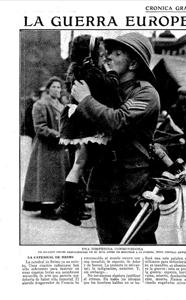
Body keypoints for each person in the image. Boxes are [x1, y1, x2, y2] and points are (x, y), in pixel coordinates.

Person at [71, 32, 161, 244]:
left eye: (117, 53)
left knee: (136, 246)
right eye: (108, 52)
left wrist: (85, 100)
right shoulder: (105, 88)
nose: (108, 57)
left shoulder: (146, 93)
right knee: (108, 247)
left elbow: (118, 121)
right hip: (104, 183)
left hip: (132, 187)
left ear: (133, 64)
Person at [55, 34, 122, 226]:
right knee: (82, 163)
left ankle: (72, 207)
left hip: (79, 121)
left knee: (81, 163)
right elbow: (110, 86)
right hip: (86, 123)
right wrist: (112, 72)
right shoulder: (90, 71)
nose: (104, 58)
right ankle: (69, 207)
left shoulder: (81, 70)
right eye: (100, 54)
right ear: (90, 54)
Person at [22, 76, 70, 219]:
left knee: (57, 177)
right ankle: (46, 209)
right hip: (46, 148)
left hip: (59, 147)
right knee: (47, 178)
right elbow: (40, 128)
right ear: (48, 89)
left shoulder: (62, 106)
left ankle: (54, 206)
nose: (57, 89)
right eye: (54, 87)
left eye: (59, 87)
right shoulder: (40, 104)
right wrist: (59, 135)